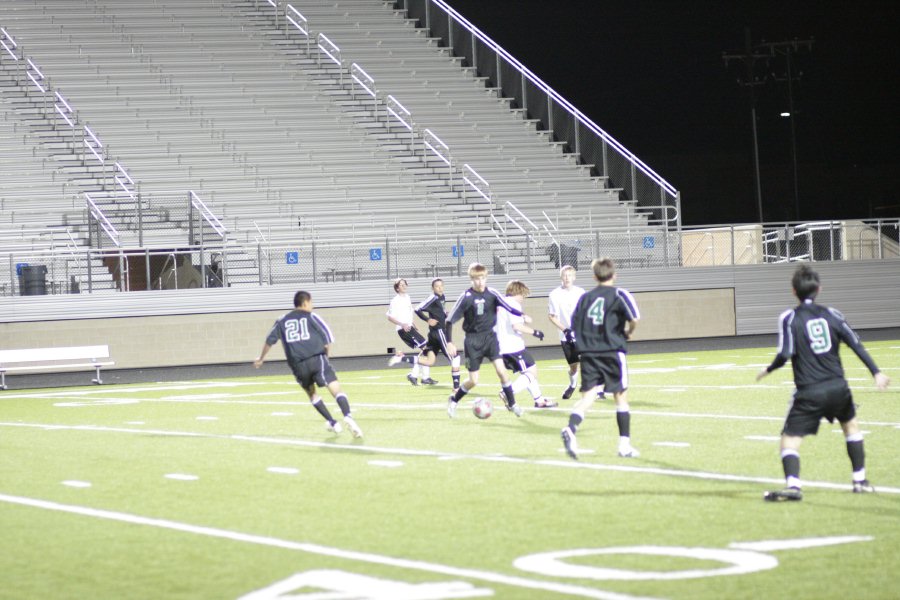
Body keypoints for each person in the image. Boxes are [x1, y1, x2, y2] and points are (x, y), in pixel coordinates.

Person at [756, 265, 890, 501]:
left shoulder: (789, 318)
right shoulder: (834, 315)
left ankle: (794, 487)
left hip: (809, 391)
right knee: (851, 428)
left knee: (789, 440)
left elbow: (786, 353)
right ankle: (860, 480)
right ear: (819, 289)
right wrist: (876, 372)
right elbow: (856, 344)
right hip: (839, 387)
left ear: (793, 291)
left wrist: (768, 369)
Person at [561, 258, 640, 460]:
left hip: (589, 354)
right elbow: (634, 318)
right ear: (614, 275)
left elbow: (574, 325)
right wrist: (628, 332)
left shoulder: (585, 298)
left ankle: (571, 428)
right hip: (613, 351)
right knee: (620, 397)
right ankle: (624, 445)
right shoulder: (619, 294)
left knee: (588, 397)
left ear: (595, 276)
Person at [253, 291, 363, 437]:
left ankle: (333, 422)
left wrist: (261, 358)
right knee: (335, 388)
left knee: (312, 394)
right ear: (305, 303)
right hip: (317, 358)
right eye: (311, 302)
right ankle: (348, 416)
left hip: (298, 365)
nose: (312, 305)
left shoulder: (282, 320)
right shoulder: (312, 316)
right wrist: (326, 357)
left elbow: (269, 340)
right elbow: (327, 338)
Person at [445, 263, 527, 418]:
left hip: (490, 338)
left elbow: (507, 307)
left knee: (502, 372)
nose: (479, 281)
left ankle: (513, 404)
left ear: (486, 278)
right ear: (471, 279)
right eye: (476, 279)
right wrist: (449, 342)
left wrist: (521, 316)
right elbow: (449, 321)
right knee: (473, 381)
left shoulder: (492, 294)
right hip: (472, 341)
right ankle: (454, 400)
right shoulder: (466, 298)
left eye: (482, 278)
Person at [496, 280, 555, 408]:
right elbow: (516, 326)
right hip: (513, 347)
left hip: (501, 347)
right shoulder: (513, 304)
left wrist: (523, 317)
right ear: (518, 292)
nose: (523, 298)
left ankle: (539, 400)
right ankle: (508, 392)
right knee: (532, 372)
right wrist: (535, 332)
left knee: (527, 372)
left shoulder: (501, 303)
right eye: (523, 295)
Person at [413, 278, 462, 391]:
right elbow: (417, 309)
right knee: (454, 357)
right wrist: (427, 320)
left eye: (441, 286)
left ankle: (413, 374)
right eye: (437, 286)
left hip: (435, 332)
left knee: (429, 357)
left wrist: (445, 314)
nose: (439, 288)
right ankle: (456, 386)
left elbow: (440, 310)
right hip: (439, 331)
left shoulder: (442, 297)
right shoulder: (433, 297)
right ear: (433, 288)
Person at [386, 278, 435, 385]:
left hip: (410, 328)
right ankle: (420, 376)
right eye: (401, 285)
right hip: (404, 330)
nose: (404, 286)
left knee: (425, 350)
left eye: (405, 284)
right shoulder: (395, 300)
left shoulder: (408, 297)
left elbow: (408, 313)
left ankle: (417, 376)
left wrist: (413, 323)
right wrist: (402, 324)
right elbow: (389, 317)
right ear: (397, 288)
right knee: (426, 349)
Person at [548, 265, 586, 400]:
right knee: (574, 368)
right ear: (561, 277)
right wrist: (565, 330)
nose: (567, 278)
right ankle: (572, 384)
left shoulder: (581, 292)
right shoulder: (554, 294)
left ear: (574, 277)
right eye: (564, 275)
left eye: (569, 275)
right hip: (566, 337)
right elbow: (552, 316)